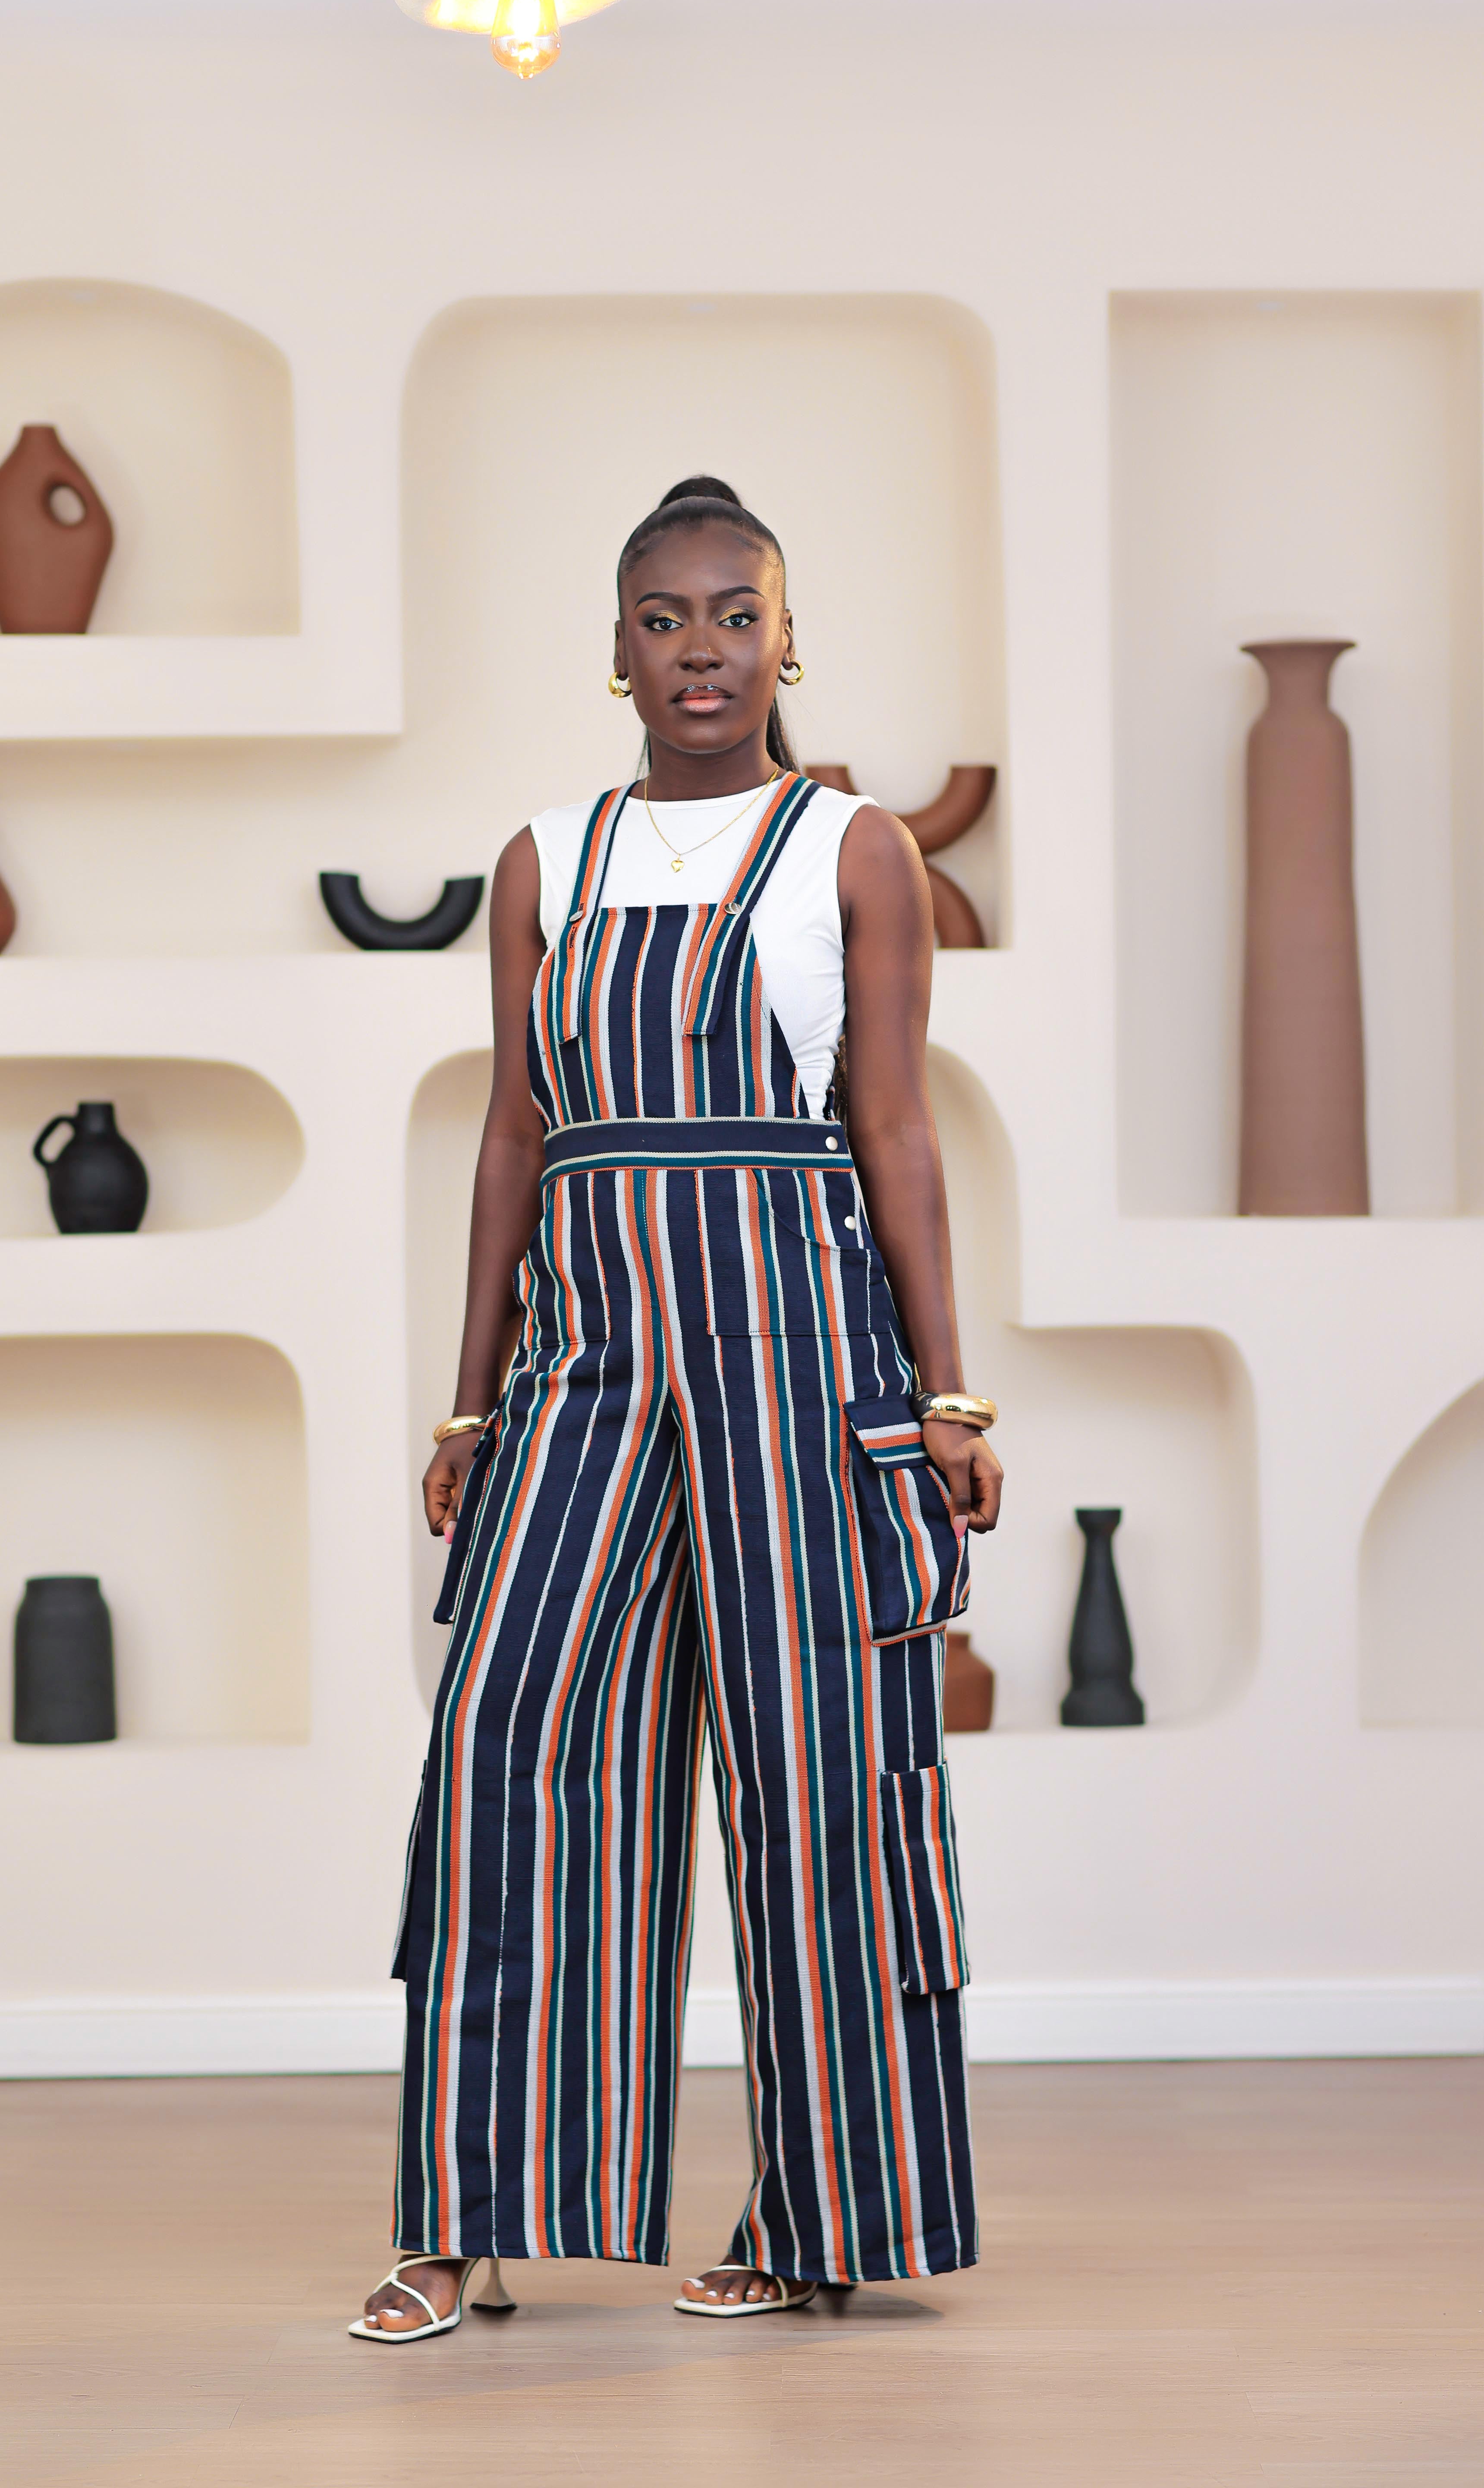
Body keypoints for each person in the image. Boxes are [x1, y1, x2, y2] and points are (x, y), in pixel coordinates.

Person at [352, 477, 1003, 2344]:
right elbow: (510, 1137)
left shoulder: (850, 848)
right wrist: (471, 1408)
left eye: (736, 615)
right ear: (614, 649)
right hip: (585, 1364)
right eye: (664, 618)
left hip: (802, 1356)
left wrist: (944, 1393)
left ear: (787, 643)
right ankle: (462, 2211)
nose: (701, 649)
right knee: (505, 1747)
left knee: (814, 1782)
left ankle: (821, 2219)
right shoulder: (542, 859)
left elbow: (894, 1127)